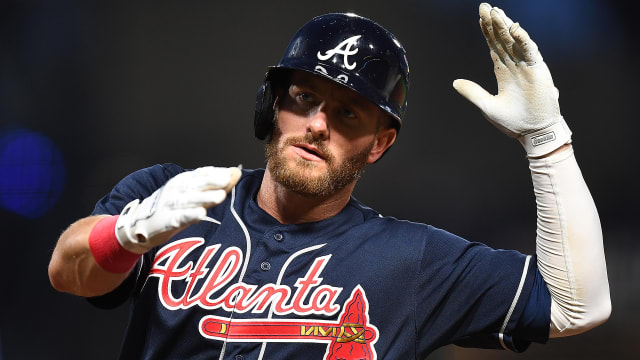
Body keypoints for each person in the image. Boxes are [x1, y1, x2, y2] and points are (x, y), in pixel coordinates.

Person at [48, 3, 610, 359]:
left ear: (380, 142)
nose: (317, 123)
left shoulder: (411, 261)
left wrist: (547, 142)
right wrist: (125, 235)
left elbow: (576, 308)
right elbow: (67, 274)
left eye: (348, 114)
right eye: (304, 98)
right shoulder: (173, 195)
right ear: (273, 105)